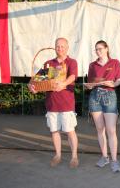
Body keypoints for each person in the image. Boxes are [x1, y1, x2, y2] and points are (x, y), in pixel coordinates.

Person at [28, 37, 79, 168]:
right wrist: (32, 86)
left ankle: (74, 157)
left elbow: (72, 77)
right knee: (54, 131)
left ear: (67, 48)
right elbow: (37, 79)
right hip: (52, 104)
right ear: (54, 47)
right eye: (58, 46)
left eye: (62, 46)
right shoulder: (48, 64)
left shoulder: (72, 62)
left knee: (70, 131)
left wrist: (63, 84)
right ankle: (58, 155)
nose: (60, 49)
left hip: (67, 104)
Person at [85, 40, 120, 173]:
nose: (98, 51)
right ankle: (104, 157)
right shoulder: (92, 65)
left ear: (107, 48)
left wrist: (113, 84)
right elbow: (90, 83)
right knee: (100, 129)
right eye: (96, 49)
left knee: (111, 130)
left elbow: (118, 80)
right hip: (95, 97)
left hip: (109, 96)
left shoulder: (115, 63)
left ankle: (114, 160)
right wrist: (89, 86)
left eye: (100, 49)